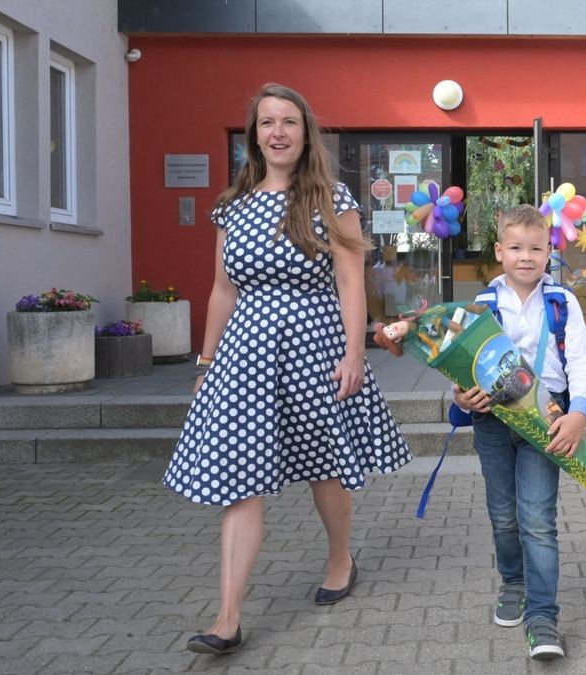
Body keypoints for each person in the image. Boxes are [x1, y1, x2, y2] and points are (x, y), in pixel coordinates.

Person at [163, 83, 412, 655]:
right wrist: (205, 361)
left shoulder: (333, 198)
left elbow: (352, 282)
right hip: (246, 354)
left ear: (306, 134)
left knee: (326, 468)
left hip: (316, 344)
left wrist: (354, 353)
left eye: (289, 122)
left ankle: (340, 558)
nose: (278, 132)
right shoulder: (232, 205)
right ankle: (227, 618)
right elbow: (223, 290)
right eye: (267, 123)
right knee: (240, 481)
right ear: (254, 135)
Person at [452, 205, 586, 661]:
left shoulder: (563, 303)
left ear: (549, 250)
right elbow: (462, 362)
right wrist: (460, 397)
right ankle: (513, 582)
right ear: (499, 251)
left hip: (547, 421)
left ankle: (543, 616)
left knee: (537, 518)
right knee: (503, 515)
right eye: (515, 247)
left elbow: (582, 360)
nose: (526, 256)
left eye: (536, 248)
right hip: (492, 422)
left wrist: (580, 413)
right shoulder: (481, 304)